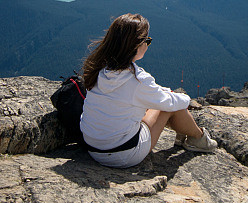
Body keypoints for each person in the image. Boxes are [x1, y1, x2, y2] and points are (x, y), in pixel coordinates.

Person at [79, 13, 217, 168]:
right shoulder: (138, 80)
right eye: (147, 41)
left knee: (160, 101)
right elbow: (168, 103)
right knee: (169, 105)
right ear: (136, 46)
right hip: (123, 154)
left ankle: (186, 134)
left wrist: (163, 93)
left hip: (92, 147)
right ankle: (199, 139)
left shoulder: (98, 70)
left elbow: (143, 94)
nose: (147, 45)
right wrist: (186, 98)